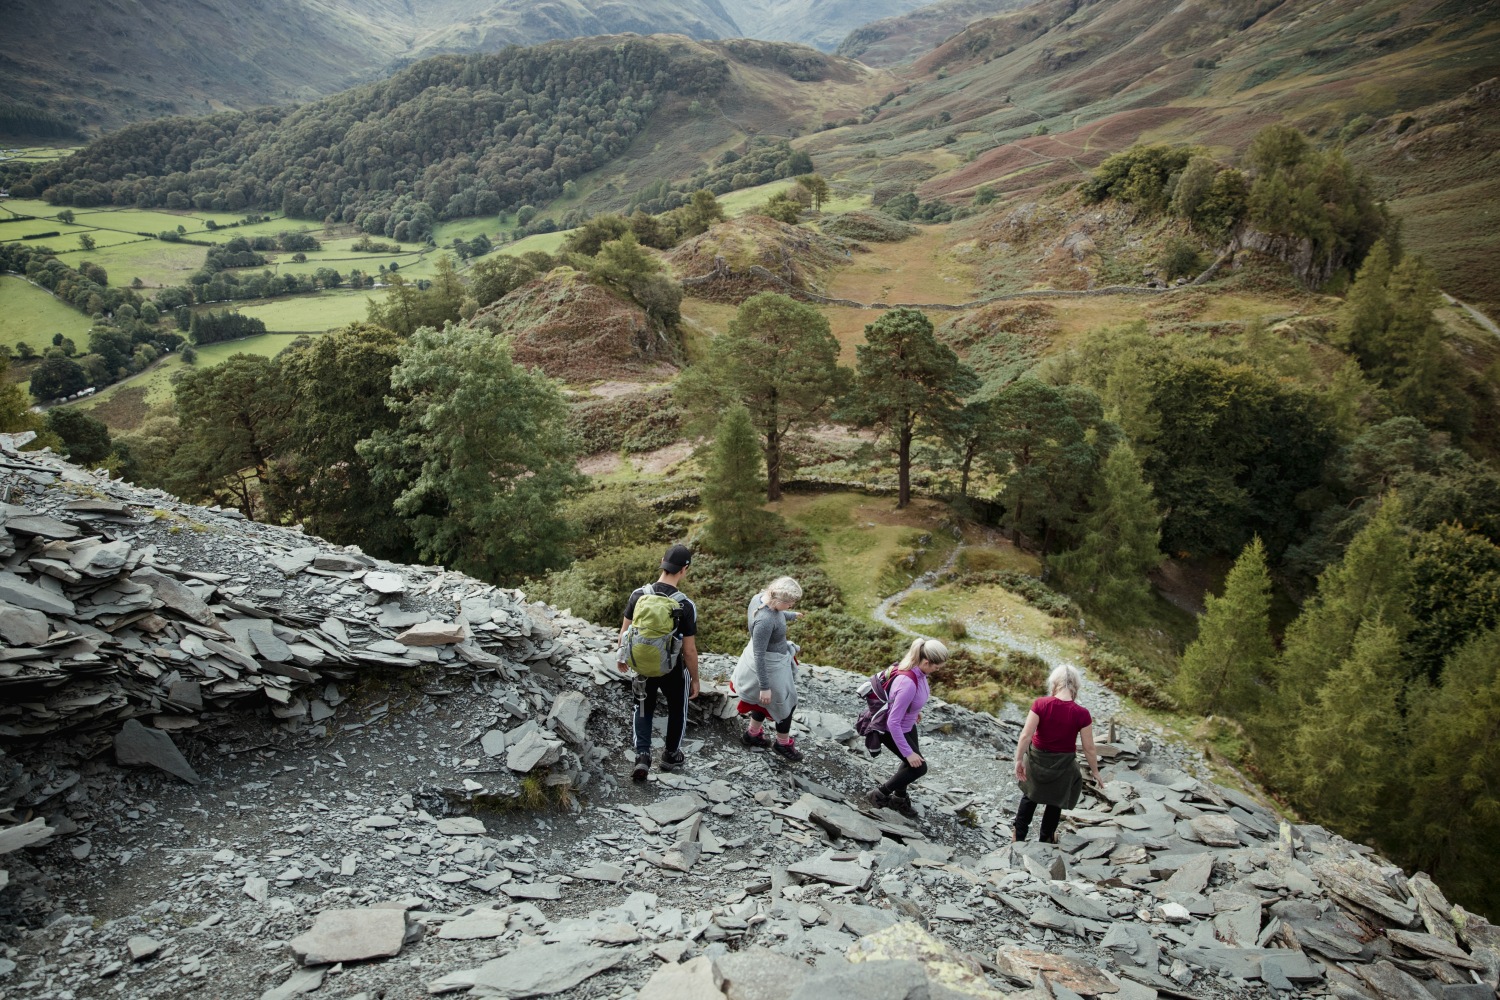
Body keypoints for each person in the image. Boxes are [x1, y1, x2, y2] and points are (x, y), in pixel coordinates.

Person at [619, 544, 700, 782]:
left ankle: (642, 756)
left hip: (642, 665)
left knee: (643, 707)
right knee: (677, 708)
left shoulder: (638, 595)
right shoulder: (685, 605)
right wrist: (695, 679)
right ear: (684, 569)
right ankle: (671, 754)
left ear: (662, 562)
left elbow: (624, 633)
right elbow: (689, 650)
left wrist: (622, 657)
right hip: (672, 668)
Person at [1012, 664, 1103, 843]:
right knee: (1055, 801)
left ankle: (1018, 836)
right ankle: (1046, 838)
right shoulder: (1082, 714)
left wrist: (1018, 760)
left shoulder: (1041, 704)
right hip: (1063, 764)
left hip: (1037, 759)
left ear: (1054, 682)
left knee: (1030, 796)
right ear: (1075, 686)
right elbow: (1089, 748)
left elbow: (1025, 735)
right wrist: (1095, 771)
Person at [867, 637, 949, 817]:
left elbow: (905, 701)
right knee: (919, 767)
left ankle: (899, 798)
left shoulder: (919, 673)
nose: (937, 670)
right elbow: (892, 722)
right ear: (926, 661)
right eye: (936, 667)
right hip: (892, 731)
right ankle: (879, 794)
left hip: (908, 724)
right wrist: (907, 752)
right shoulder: (908, 682)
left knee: (910, 763)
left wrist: (914, 710)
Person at [731, 576, 805, 762]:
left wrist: (791, 615)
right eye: (789, 603)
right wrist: (764, 686)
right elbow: (760, 656)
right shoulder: (764, 621)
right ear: (778, 599)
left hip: (773, 661)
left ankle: (753, 733)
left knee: (762, 703)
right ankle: (782, 743)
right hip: (769, 666)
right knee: (786, 704)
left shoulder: (760, 599)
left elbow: (777, 615)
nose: (791, 605)